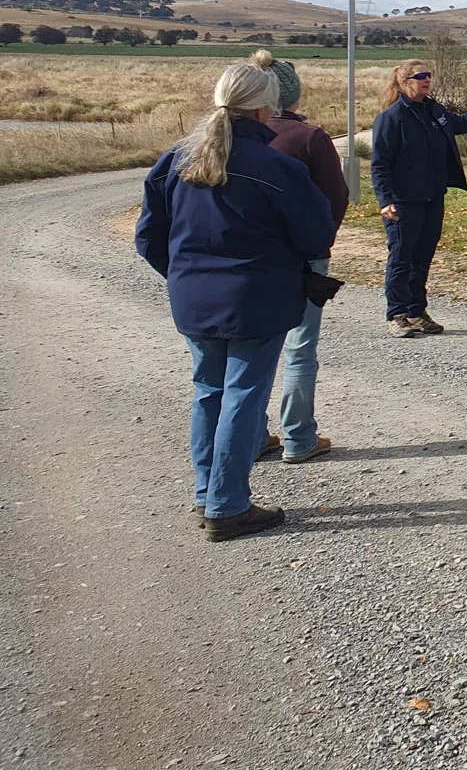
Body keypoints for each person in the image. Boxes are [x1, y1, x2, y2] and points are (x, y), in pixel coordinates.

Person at [135, 62, 337, 541]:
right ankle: (227, 506)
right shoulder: (278, 168)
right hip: (257, 298)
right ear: (266, 109)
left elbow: (149, 237)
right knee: (244, 392)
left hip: (193, 297)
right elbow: (316, 235)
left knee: (209, 390)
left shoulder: (176, 160)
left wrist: (184, 276)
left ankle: (207, 495)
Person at [252, 51, 348, 464]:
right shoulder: (309, 138)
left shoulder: (229, 138)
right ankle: (298, 436)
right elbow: (335, 199)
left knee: (251, 350)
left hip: (250, 259)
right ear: (293, 95)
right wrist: (318, 244)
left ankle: (252, 434)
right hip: (304, 259)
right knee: (299, 347)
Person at [369, 62, 467, 338]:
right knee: (401, 258)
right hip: (403, 201)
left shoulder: (434, 110)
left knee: (422, 258)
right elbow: (379, 164)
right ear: (405, 82)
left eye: (429, 75)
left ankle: (416, 312)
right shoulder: (392, 117)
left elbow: (462, 124)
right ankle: (397, 314)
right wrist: (385, 200)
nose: (427, 80)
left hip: (432, 197)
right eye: (421, 76)